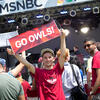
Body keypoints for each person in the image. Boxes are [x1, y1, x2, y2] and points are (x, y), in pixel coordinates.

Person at [7, 29, 67, 100]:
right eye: (45, 58)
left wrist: (62, 38)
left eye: (49, 57)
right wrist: (15, 54)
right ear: (42, 60)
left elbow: (63, 55)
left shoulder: (57, 69)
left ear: (53, 58)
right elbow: (27, 63)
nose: (48, 59)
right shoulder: (39, 72)